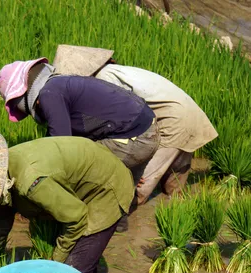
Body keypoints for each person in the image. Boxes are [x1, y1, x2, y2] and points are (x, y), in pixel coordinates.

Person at [0, 132, 134, 273]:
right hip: (69, 186)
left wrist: (54, 263)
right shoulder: (0, 173)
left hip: (104, 188)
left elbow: (77, 216)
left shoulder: (31, 182)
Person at [53, 44, 218, 204]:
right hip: (186, 113)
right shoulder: (114, 72)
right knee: (173, 188)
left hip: (172, 121)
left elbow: (117, 122)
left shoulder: (104, 79)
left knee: (137, 190)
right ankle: (176, 218)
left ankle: (146, 224)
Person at [0, 58, 160, 183]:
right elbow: (56, 137)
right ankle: (120, 223)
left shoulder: (49, 94)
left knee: (82, 178)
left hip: (135, 138)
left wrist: (36, 177)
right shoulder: (59, 86)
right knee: (118, 199)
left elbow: (61, 147)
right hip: (146, 129)